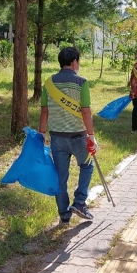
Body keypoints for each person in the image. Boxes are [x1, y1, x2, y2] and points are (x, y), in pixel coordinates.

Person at [39, 47, 98, 225]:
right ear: (73, 62)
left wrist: (42, 133)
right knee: (87, 166)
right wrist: (91, 136)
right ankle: (79, 202)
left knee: (61, 177)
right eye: (78, 62)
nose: (78, 65)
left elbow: (44, 111)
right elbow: (85, 112)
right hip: (78, 137)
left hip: (57, 138)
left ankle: (64, 215)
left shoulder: (48, 83)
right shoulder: (81, 82)